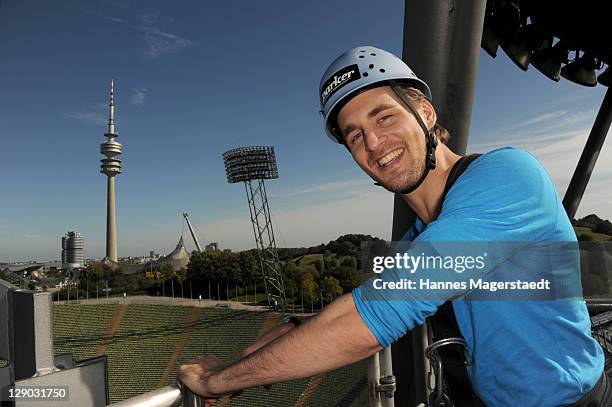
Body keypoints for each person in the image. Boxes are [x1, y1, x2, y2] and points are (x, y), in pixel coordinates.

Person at [177, 46, 609, 406]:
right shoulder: (419, 238)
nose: (374, 144)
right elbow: (372, 297)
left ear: (424, 112)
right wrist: (291, 328)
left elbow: (376, 315)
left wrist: (221, 380)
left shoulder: (508, 177)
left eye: (384, 118)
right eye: (354, 136)